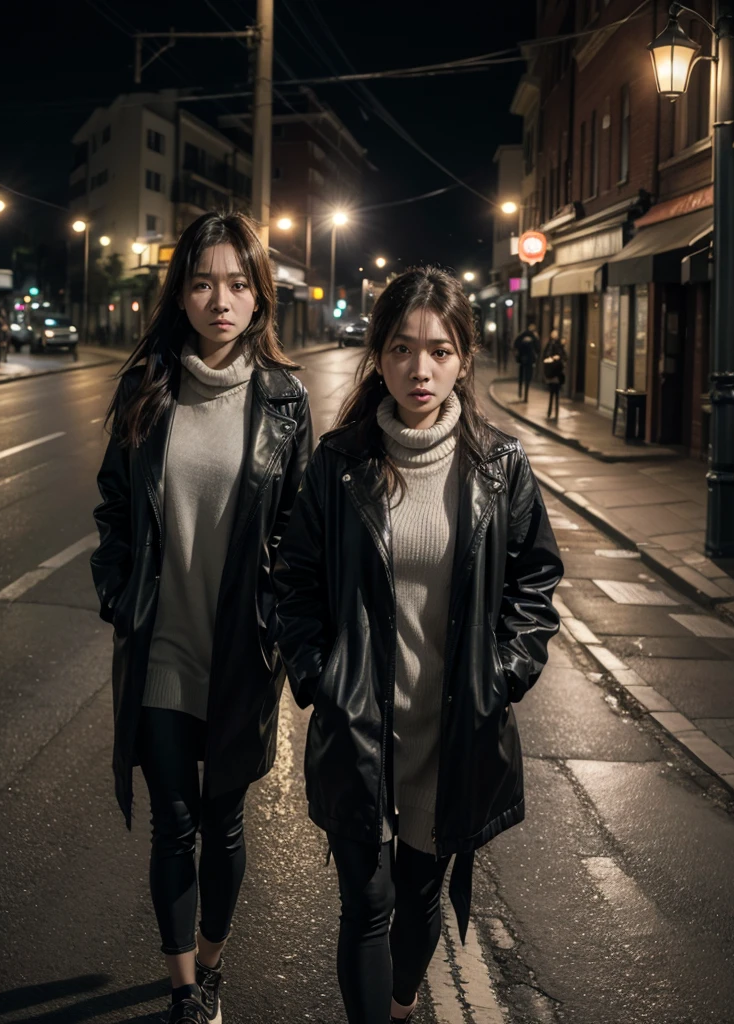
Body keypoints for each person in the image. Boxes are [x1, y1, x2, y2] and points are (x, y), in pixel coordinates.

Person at [272, 266, 563, 1024]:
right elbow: (292, 583)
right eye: (402, 348)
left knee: (418, 895)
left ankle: (401, 1007)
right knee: (364, 902)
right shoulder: (340, 465)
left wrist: (501, 673)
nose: (420, 368)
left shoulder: (501, 466)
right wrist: (318, 674)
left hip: (453, 727)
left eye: (438, 349)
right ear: (379, 356)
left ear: (465, 356)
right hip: (361, 722)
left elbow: (536, 584)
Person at [91, 211, 313, 1024]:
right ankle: (186, 988)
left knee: (222, 822)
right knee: (172, 823)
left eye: (237, 282)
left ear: (260, 297)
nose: (221, 298)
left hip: (240, 657)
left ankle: (212, 964)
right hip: (160, 649)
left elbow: (300, 538)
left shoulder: (285, 406)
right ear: (180, 295)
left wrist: (279, 626)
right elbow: (116, 509)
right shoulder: (146, 387)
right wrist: (118, 593)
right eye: (202, 281)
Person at [513, 320, 540, 402]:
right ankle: (525, 396)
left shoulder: (522, 334)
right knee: (528, 377)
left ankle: (520, 391)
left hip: (522, 359)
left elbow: (515, 344)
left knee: (521, 376)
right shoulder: (534, 336)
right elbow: (538, 348)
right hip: (529, 360)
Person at [543, 330, 567, 419]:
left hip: (553, 374)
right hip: (555, 374)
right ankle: (553, 412)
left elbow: (545, 356)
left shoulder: (551, 346)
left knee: (553, 393)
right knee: (555, 393)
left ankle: (551, 412)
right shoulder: (555, 346)